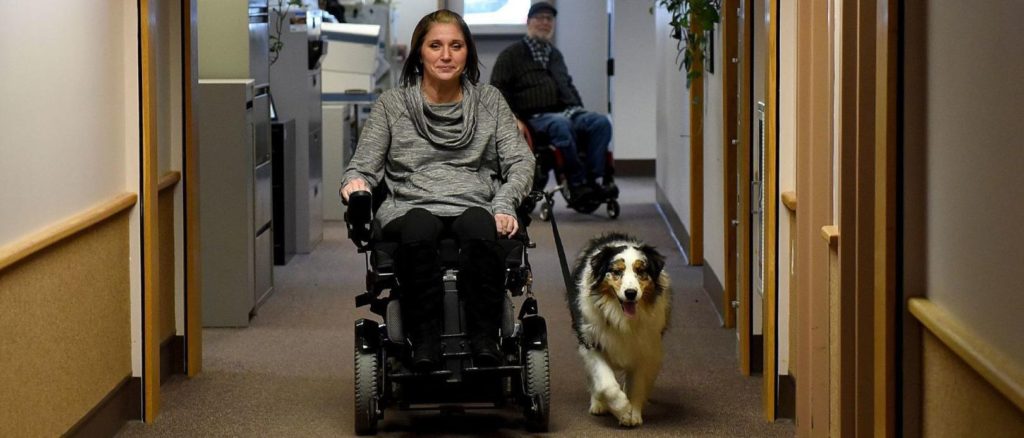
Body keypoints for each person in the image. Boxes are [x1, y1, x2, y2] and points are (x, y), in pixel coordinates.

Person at [339, 10, 535, 372]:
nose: (446, 55)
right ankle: (423, 340)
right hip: (410, 205)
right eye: (435, 46)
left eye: (456, 46)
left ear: (467, 53)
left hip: (476, 202)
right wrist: (356, 185)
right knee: (419, 227)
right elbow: (362, 166)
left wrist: (505, 204)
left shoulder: (490, 102)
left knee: (480, 225)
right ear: (419, 53)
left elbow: (521, 162)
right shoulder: (392, 105)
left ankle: (484, 339)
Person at [490, 1, 615, 204]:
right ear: (528, 22)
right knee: (561, 125)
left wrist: (579, 109)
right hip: (534, 116)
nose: (545, 23)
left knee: (601, 122)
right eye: (540, 18)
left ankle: (595, 179)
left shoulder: (555, 55)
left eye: (549, 19)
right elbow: (498, 90)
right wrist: (513, 119)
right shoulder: (511, 55)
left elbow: (568, 85)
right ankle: (576, 183)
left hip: (568, 111)